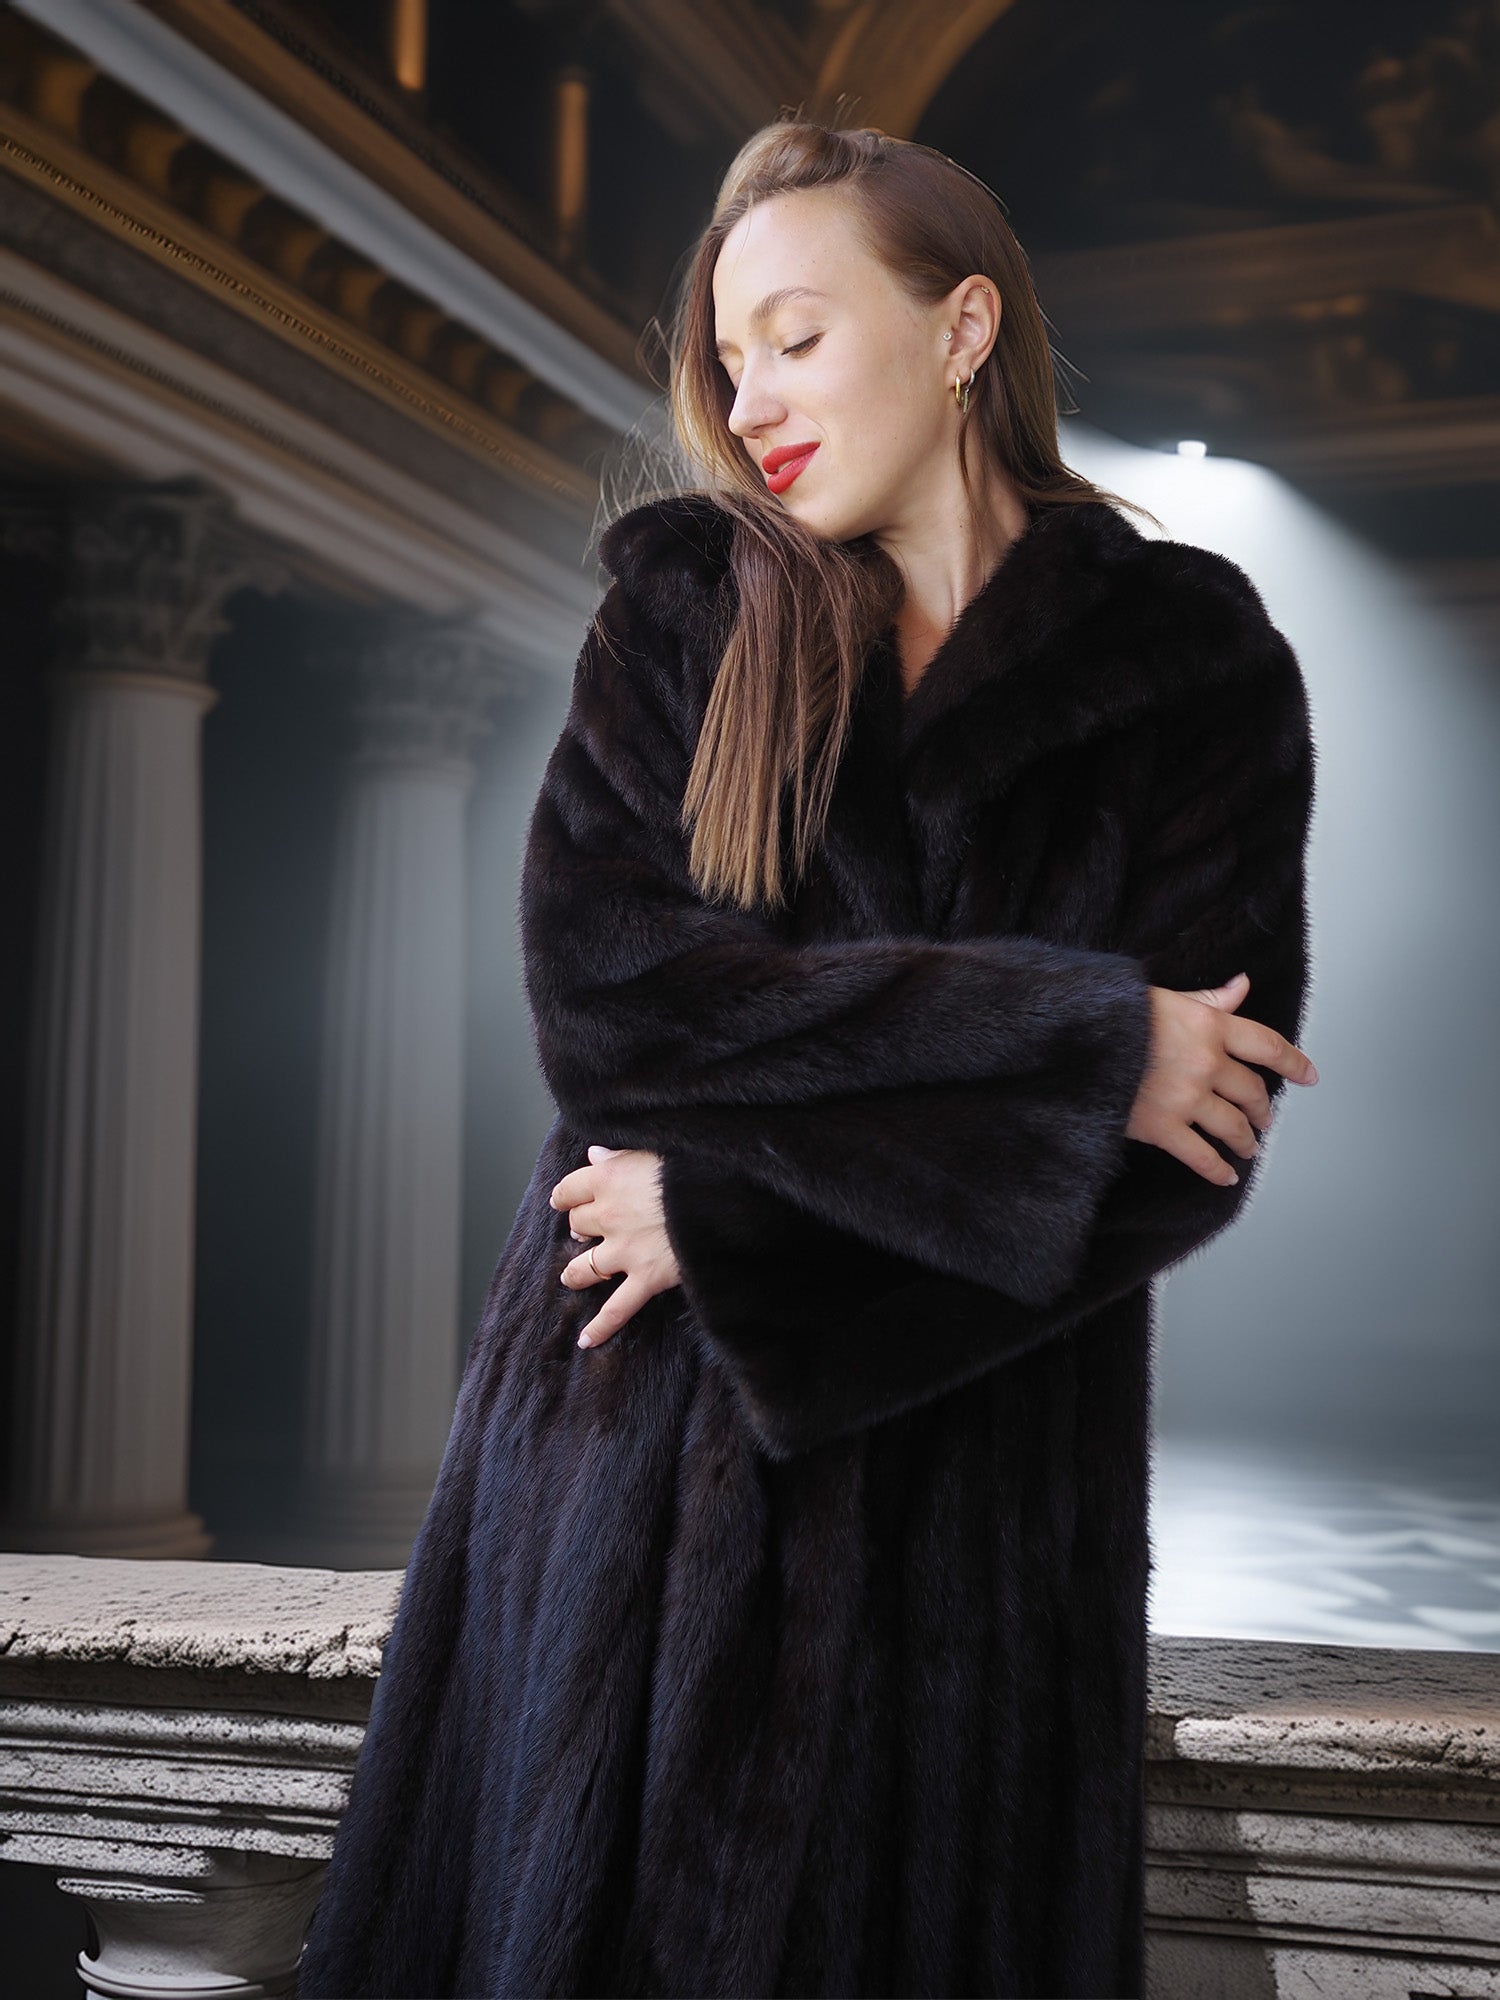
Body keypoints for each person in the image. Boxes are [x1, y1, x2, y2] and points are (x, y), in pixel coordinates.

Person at [295, 118, 1319, 2000]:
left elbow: (1197, 1137)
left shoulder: (1193, 662)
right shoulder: (688, 610)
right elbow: (617, 1008)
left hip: (984, 1516)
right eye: (727, 354)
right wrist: (1078, 1042)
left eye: (796, 335)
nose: (748, 399)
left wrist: (737, 1221)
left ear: (961, 328)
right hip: (625, 1454)